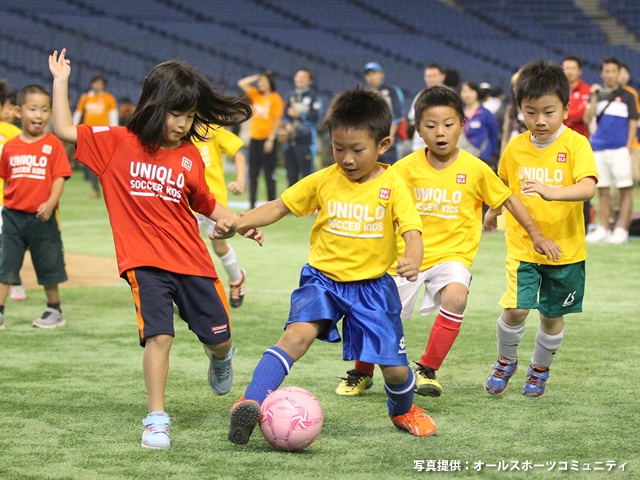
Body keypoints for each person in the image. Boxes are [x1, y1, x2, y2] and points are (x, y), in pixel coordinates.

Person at [49, 49, 262, 449]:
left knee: (219, 337)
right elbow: (63, 128)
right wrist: (61, 79)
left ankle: (220, 358)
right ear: (153, 106)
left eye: (189, 116)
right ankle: (157, 420)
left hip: (193, 261)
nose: (182, 124)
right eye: (175, 114)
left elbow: (203, 202)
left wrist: (237, 222)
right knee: (158, 337)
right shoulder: (115, 142)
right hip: (144, 264)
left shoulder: (187, 157)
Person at [217, 87, 437, 445]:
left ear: (382, 145)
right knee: (295, 337)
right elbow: (279, 205)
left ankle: (402, 410)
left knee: (395, 370)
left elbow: (412, 230)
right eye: (338, 148)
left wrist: (413, 257)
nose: (346, 158)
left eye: (356, 150)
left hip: (372, 288)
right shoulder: (324, 178)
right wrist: (238, 222)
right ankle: (250, 403)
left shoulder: (393, 184)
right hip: (322, 281)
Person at [335, 86, 560, 398]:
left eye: (448, 124)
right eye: (430, 126)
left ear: (462, 125)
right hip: (405, 258)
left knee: (456, 296)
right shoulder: (404, 169)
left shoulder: (475, 169)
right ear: (418, 130)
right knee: (376, 312)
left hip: (451, 256)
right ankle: (362, 371)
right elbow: (375, 197)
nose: (440, 133)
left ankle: (427, 370)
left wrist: (536, 234)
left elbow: (509, 199)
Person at [484, 60, 598, 398]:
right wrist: (492, 210)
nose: (540, 120)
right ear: (520, 109)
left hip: (566, 249)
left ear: (565, 108)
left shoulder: (576, 145)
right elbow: (503, 186)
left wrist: (554, 192)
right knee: (517, 308)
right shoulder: (516, 148)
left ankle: (539, 369)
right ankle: (506, 361)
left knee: (551, 316)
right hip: (523, 246)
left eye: (549, 111)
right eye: (531, 112)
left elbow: (588, 187)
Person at [0, 84, 72, 330]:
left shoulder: (53, 144)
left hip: (42, 217)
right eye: (33, 109)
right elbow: (6, 177)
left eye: (44, 110)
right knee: (5, 263)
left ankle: (54, 310)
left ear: (50, 114)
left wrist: (51, 203)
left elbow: (59, 177)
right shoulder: (10, 146)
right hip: (12, 216)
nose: (39, 115)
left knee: (48, 263)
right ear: (19, 112)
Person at [192, 126, 249, 308]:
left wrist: (240, 181)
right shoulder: (178, 131)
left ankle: (237, 278)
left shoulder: (212, 130)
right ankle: (181, 292)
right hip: (186, 201)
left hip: (214, 202)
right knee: (183, 247)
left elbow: (238, 153)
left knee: (219, 247)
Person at [584, 56, 638, 244]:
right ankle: (604, 227)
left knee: (625, 189)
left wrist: (628, 145)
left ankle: (621, 229)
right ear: (601, 73)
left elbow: (633, 122)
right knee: (602, 190)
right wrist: (594, 97)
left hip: (619, 148)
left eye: (613, 71)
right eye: (606, 71)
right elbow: (587, 118)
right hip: (599, 147)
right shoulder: (598, 94)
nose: (610, 75)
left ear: (619, 73)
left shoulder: (628, 96)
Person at [237, 72, 284, 209]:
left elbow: (276, 120)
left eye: (263, 81)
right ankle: (252, 203)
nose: (260, 84)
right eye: (260, 82)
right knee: (253, 172)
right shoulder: (256, 95)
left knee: (269, 172)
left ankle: (271, 202)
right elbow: (241, 83)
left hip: (268, 139)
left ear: (269, 83)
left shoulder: (276, 99)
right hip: (255, 138)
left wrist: (271, 139)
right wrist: (258, 76)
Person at [0, 83, 28, 302]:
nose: (8, 112)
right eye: (6, 107)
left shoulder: (14, 133)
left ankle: (16, 281)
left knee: (8, 246)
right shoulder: (15, 133)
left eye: (11, 108)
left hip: (7, 198)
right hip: (10, 198)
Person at [73, 74, 119, 198]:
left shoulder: (109, 98)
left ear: (103, 85)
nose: (97, 85)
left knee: (107, 163)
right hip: (88, 135)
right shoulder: (85, 98)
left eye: (100, 83)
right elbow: (78, 113)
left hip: (104, 135)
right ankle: (95, 189)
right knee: (89, 164)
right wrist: (72, 128)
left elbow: (113, 116)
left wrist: (114, 133)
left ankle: (109, 189)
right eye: (95, 82)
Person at [562, 54, 593, 233]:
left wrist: (569, 115)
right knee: (561, 184)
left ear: (579, 71)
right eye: (566, 68)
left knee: (583, 184)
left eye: (573, 68)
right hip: (559, 146)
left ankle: (586, 227)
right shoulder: (558, 90)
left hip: (581, 146)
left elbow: (582, 116)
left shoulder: (588, 91)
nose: (569, 71)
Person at [282, 68, 323, 186]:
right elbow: (285, 115)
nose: (299, 79)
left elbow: (316, 117)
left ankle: (308, 204)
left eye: (303, 77)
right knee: (291, 177)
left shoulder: (314, 97)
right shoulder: (290, 95)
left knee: (307, 178)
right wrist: (287, 123)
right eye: (297, 76)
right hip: (290, 142)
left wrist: (300, 114)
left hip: (306, 142)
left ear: (310, 81)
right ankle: (291, 204)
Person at [363, 62, 405, 164]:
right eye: (368, 74)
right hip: (371, 141)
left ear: (381, 74)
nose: (371, 77)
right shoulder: (365, 94)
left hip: (389, 141)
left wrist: (391, 134)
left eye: (374, 73)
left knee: (390, 169)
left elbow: (398, 114)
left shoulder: (392, 91)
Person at [458, 81, 499, 169]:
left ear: (476, 93)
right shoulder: (458, 114)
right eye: (464, 91)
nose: (467, 95)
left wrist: (488, 155)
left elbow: (494, 136)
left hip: (482, 158)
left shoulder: (486, 114)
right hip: (462, 158)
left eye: (470, 91)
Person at [408, 64, 446, 152]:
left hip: (442, 145)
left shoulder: (450, 96)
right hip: (420, 146)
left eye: (434, 76)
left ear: (442, 76)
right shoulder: (419, 96)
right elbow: (412, 119)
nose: (431, 79)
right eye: (428, 76)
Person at [619, 63, 640, 188]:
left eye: (624, 73)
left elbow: (635, 118)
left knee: (635, 177)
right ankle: (615, 208)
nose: (622, 76)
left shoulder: (631, 93)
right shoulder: (605, 93)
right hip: (615, 143)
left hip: (632, 143)